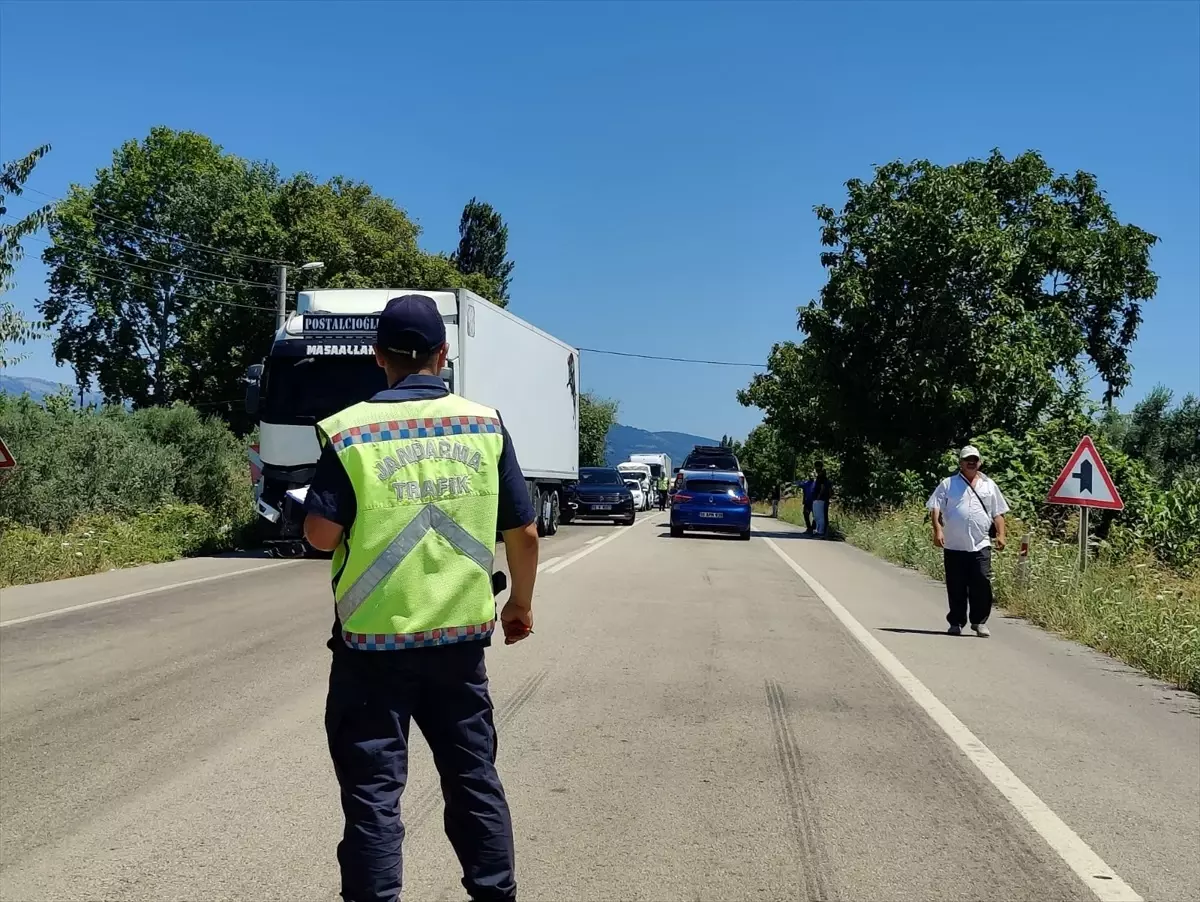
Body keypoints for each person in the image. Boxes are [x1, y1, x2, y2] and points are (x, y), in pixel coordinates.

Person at [303, 294, 540, 902]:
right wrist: (519, 606)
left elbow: (322, 533)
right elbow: (525, 534)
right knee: (473, 781)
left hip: (370, 652)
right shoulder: (485, 426)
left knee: (373, 797)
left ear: (378, 356)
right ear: (443, 355)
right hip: (459, 647)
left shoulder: (349, 431)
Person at [926, 445, 1009, 638]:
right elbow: (935, 508)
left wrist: (1001, 534)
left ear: (979, 462)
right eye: (967, 460)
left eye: (975, 459)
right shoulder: (948, 484)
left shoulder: (989, 485)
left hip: (980, 544)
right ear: (961, 463)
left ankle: (979, 622)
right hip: (954, 544)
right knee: (956, 584)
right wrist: (938, 530)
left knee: (981, 581)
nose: (971, 462)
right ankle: (956, 622)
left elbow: (998, 512)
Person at [812, 465, 833, 537]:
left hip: (820, 499)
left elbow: (822, 488)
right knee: (818, 516)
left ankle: (820, 531)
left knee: (820, 516)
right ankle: (819, 530)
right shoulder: (823, 479)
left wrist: (819, 496)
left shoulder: (822, 479)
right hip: (820, 499)